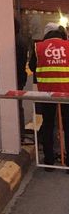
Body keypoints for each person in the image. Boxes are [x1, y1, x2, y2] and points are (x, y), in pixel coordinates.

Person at [31, 22, 69, 172]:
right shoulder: (67, 45)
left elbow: (33, 67)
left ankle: (49, 162)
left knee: (48, 125)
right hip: (67, 92)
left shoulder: (38, 47)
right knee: (68, 126)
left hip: (47, 93)